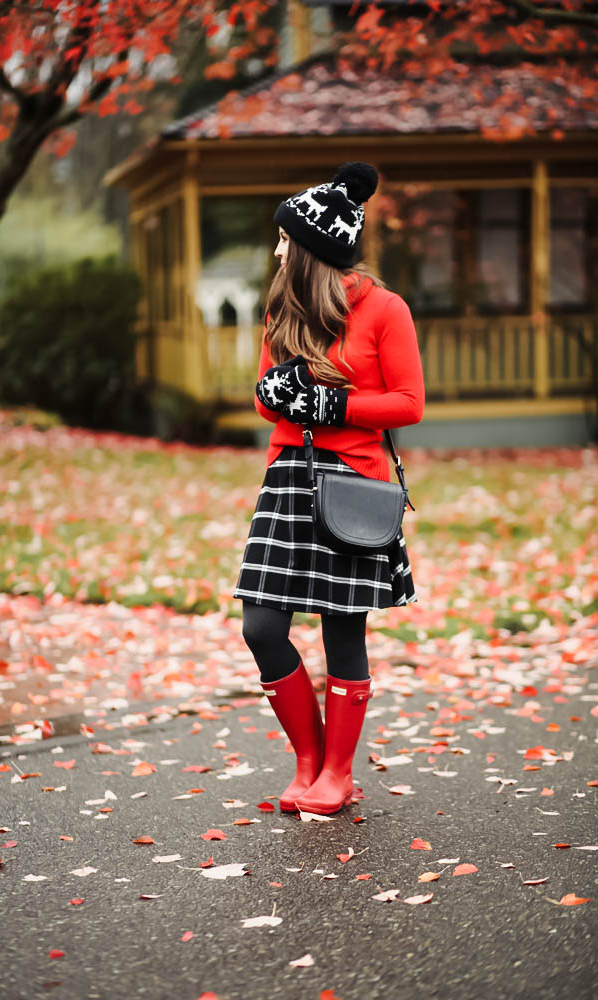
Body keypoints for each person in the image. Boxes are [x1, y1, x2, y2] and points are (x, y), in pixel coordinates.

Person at [233, 162, 424, 815]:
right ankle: (307, 762)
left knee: (342, 632)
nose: (278, 248)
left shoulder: (384, 311)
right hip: (288, 479)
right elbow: (271, 399)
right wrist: (274, 396)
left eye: (286, 239)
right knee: (261, 625)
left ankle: (336, 776)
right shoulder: (282, 306)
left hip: (352, 485)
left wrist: (330, 405)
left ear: (312, 249)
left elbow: (409, 403)